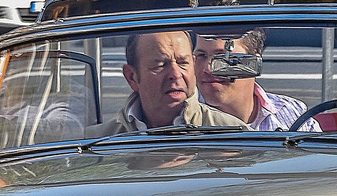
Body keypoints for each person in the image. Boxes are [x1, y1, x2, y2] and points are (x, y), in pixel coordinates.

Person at [83, 30, 245, 136]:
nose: (175, 74)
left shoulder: (233, 135)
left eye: (183, 63)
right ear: (132, 77)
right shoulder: (95, 142)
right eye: (160, 65)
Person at [192, 27, 320, 131]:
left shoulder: (294, 115)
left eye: (222, 57)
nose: (207, 69)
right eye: (201, 55)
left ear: (253, 63)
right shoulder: (182, 120)